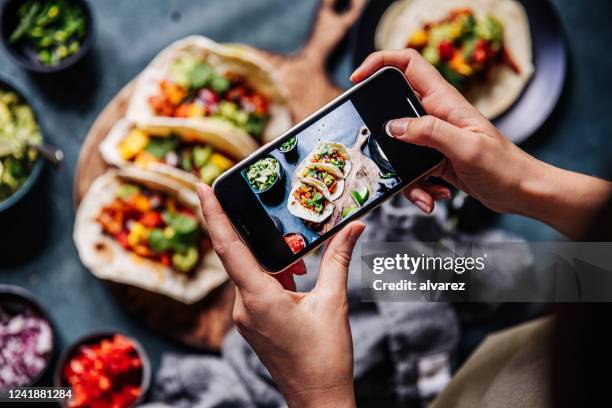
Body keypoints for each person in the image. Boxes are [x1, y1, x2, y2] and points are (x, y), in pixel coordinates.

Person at [196, 49, 612, 407]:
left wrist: (318, 393)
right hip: (562, 318)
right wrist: (524, 184)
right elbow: (600, 273)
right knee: (546, 274)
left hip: (519, 375)